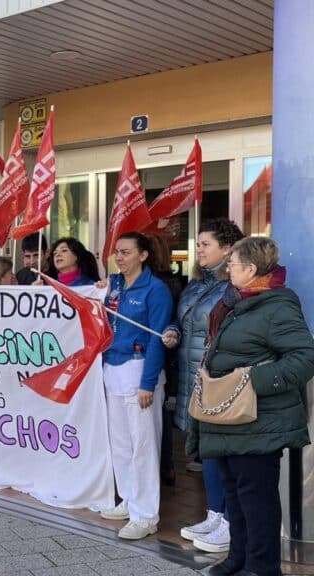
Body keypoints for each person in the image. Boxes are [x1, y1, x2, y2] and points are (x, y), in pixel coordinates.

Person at [188, 237, 314, 576]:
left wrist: (251, 382)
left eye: (233, 262)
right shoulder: (235, 302)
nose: (227, 267)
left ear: (251, 269)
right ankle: (238, 559)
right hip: (227, 417)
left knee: (257, 501)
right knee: (236, 496)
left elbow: (304, 359)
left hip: (257, 420)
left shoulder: (277, 305)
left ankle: (261, 568)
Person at [161, 219, 244, 552]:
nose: (199, 249)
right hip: (191, 376)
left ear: (227, 248)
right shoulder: (196, 285)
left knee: (220, 450)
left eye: (206, 244)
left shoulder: (236, 285)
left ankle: (228, 520)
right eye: (198, 244)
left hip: (218, 380)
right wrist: (173, 332)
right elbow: (182, 320)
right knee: (206, 448)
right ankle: (213, 514)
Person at [99, 231, 172, 540]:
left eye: (126, 252)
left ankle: (146, 514)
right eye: (117, 252)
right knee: (121, 443)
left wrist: (148, 383)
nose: (119, 257)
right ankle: (128, 499)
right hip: (112, 369)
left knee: (143, 447)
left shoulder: (155, 289)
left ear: (143, 255)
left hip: (139, 371)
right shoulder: (113, 285)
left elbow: (157, 339)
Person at [146, 233, 184, 488]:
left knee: (157, 413)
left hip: (161, 353)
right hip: (169, 354)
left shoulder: (159, 286)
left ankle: (161, 464)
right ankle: (166, 464)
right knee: (160, 412)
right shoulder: (174, 281)